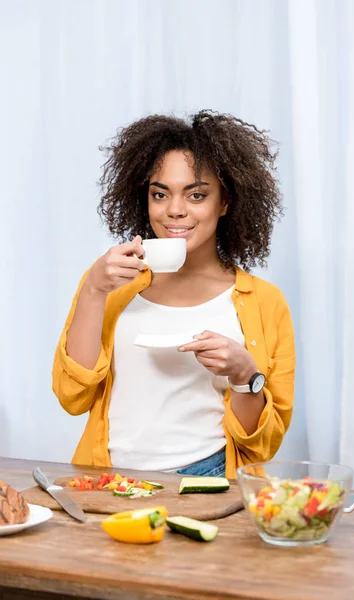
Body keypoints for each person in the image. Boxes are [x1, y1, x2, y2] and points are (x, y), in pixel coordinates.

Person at [52, 110, 295, 478]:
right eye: (160, 194)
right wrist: (93, 290)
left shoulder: (264, 302)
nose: (175, 210)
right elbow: (73, 397)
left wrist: (245, 375)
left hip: (210, 476)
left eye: (196, 194)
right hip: (108, 478)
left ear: (225, 202)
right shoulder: (109, 283)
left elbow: (258, 443)